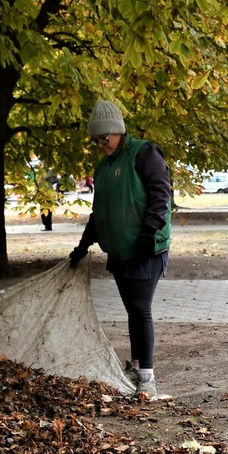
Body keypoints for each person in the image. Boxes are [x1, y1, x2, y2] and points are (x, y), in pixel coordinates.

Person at [68, 99, 172, 401]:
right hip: (120, 251)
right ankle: (138, 366)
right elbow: (98, 210)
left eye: (106, 137)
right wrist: (83, 245)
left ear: (119, 132)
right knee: (132, 311)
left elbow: (159, 195)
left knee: (140, 310)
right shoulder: (104, 167)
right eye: (95, 139)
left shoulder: (144, 153)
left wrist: (146, 235)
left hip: (145, 249)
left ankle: (147, 378)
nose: (101, 144)